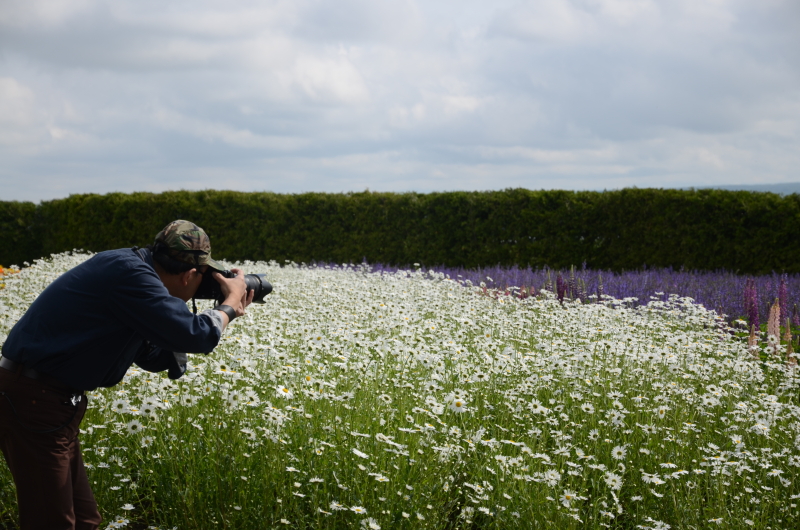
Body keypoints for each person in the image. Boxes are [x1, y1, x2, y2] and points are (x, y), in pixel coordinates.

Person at [0, 220, 254, 530]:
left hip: (50, 402)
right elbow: (194, 335)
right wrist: (229, 305)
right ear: (190, 274)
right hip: (35, 400)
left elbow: (152, 354)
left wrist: (189, 324)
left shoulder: (131, 270)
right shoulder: (130, 275)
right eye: (204, 277)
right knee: (52, 522)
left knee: (84, 520)